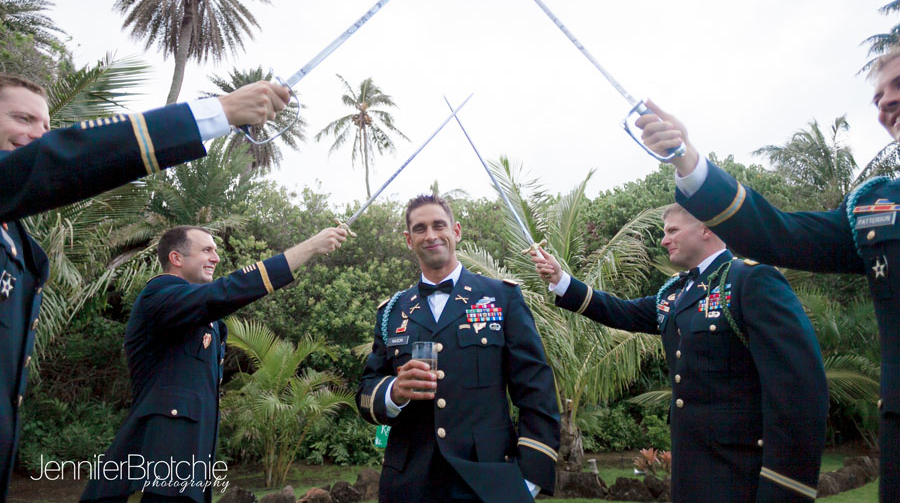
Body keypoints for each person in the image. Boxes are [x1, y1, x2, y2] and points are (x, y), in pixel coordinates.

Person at [0, 72, 290, 497]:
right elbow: (69, 158)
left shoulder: (21, 247)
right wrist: (219, 112)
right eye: (22, 119)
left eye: (47, 128)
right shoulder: (159, 292)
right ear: (175, 257)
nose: (39, 138)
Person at [638, 46, 900, 499]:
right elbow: (779, 233)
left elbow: (796, 387)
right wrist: (688, 162)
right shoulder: (878, 210)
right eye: (878, 96)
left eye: (897, 87)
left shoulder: (750, 283)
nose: (884, 104)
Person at [531, 204, 828, 502]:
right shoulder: (675, 293)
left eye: (672, 230)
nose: (663, 240)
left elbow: (799, 386)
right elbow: (622, 312)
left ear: (707, 228)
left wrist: (785, 486)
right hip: (691, 470)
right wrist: (560, 280)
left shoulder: (749, 281)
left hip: (739, 473)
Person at [80, 223, 347, 502]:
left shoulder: (207, 321)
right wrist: (310, 247)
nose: (216, 258)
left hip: (190, 465)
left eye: (216, 250)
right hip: (164, 459)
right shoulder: (159, 295)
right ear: (176, 258)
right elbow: (224, 292)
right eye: (206, 250)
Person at [356, 194, 559, 503]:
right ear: (409, 240)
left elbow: (536, 389)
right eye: (420, 229)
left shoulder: (500, 298)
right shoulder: (392, 311)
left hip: (488, 480)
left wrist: (529, 477)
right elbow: (366, 390)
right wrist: (394, 391)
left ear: (457, 231)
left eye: (439, 225)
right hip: (409, 485)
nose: (431, 235)